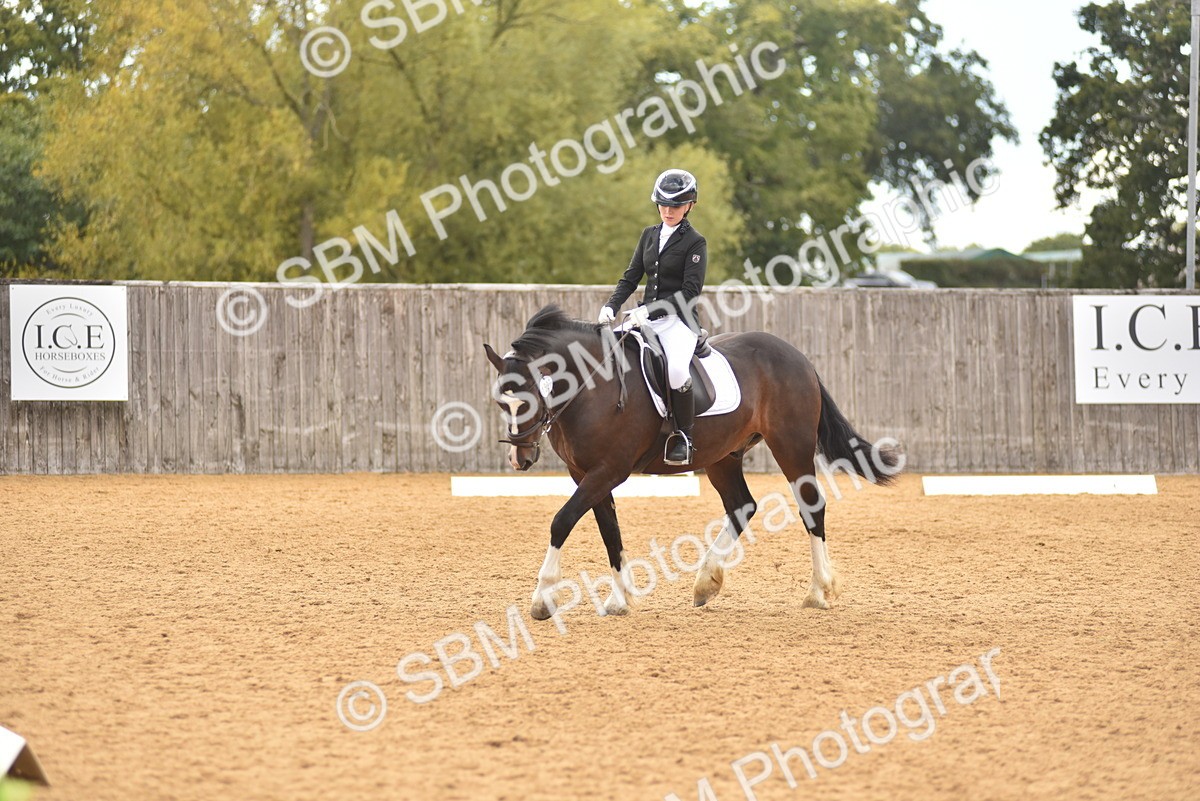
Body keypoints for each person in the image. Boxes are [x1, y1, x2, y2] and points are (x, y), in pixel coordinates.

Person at [598, 169, 707, 465]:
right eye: (663, 204)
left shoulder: (695, 242)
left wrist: (647, 310)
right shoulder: (649, 235)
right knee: (612, 356)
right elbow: (631, 277)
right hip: (644, 319)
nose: (668, 211)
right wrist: (611, 305)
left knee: (676, 372)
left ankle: (684, 437)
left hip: (679, 322)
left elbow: (689, 293)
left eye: (676, 206)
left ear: (689, 206)